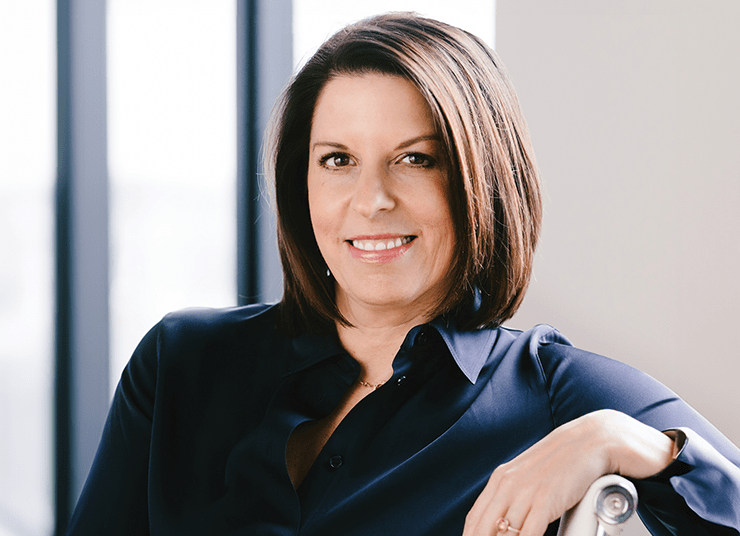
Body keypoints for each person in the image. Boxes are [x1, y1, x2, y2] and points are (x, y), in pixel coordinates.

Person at [66, 12, 740, 536]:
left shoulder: (554, 394)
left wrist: (623, 440)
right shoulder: (180, 364)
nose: (373, 200)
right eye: (337, 160)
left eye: (415, 159)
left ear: (482, 180)